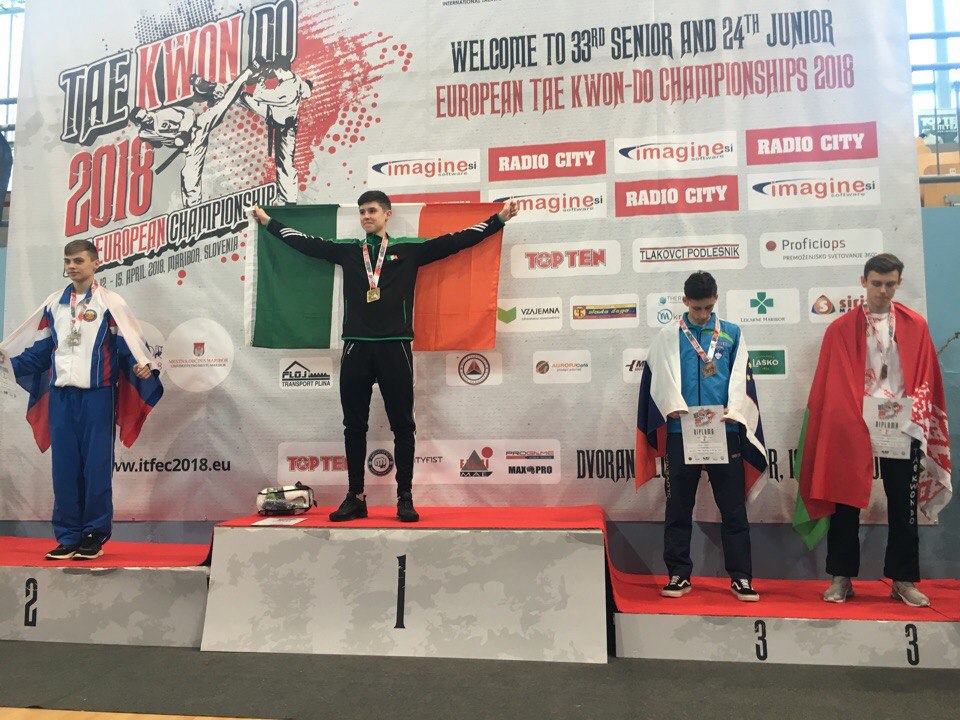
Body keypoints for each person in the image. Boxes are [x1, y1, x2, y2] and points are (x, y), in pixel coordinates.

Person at [251, 191, 519, 522]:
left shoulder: (408, 250)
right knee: (353, 426)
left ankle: (404, 498)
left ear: (387, 214)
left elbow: (457, 241)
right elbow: (305, 243)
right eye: (362, 211)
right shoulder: (350, 251)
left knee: (403, 426)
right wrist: (269, 223)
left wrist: (498, 219)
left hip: (395, 347)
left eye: (372, 210)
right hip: (356, 347)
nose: (366, 216)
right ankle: (355, 497)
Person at [794, 254, 951, 607]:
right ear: (863, 282)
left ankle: (903, 579)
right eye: (876, 283)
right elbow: (830, 385)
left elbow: (926, 378)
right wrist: (847, 419)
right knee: (845, 503)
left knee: (903, 504)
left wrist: (916, 415)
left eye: (890, 284)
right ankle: (841, 577)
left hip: (901, 425)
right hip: (855, 424)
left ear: (899, 283)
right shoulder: (839, 328)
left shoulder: (915, 325)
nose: (883, 290)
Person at [0, 240, 163, 560]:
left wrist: (143, 366)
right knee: (64, 469)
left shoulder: (110, 303)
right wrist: (8, 365)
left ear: (95, 264)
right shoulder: (54, 304)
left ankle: (93, 535)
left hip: (98, 396)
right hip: (61, 397)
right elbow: (40, 352)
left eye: (78, 261)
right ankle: (68, 537)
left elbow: (130, 344)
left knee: (96, 468)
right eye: (68, 261)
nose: (72, 266)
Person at [635, 271, 767, 602]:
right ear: (685, 301)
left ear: (716, 299)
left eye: (708, 307)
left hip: (724, 430)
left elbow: (741, 377)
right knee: (678, 508)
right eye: (697, 308)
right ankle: (679, 574)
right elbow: (656, 377)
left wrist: (736, 409)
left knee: (733, 509)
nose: (703, 314)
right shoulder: (668, 335)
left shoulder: (732, 333)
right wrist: (670, 405)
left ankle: (741, 577)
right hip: (681, 432)